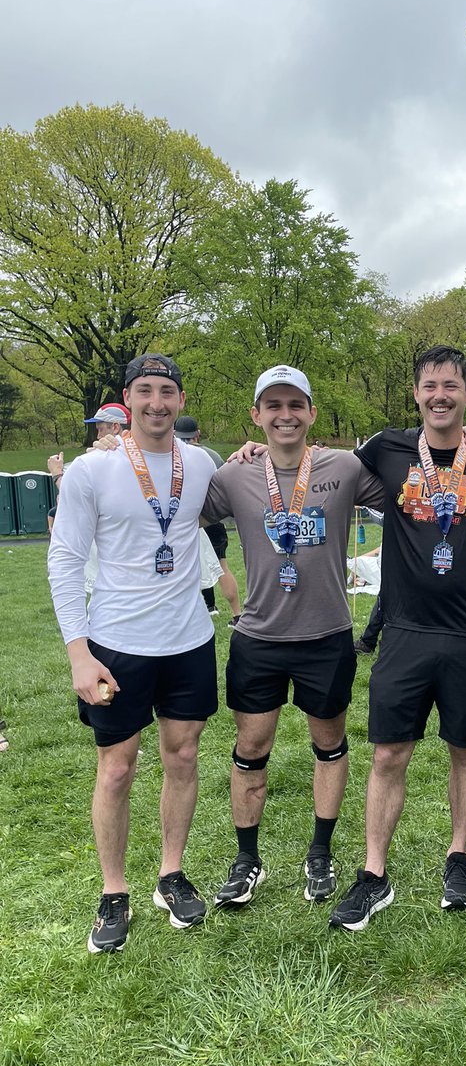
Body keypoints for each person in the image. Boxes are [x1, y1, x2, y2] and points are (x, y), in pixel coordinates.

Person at [328, 346, 466, 930]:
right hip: (405, 629)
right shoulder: (387, 448)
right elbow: (326, 471)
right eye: (430, 385)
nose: (440, 395)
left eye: (451, 385)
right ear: (416, 393)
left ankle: (458, 858)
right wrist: (258, 451)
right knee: (389, 752)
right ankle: (373, 874)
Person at [48, 353, 219, 953]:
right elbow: (65, 558)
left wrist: (253, 450)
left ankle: (171, 874)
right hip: (116, 643)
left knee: (183, 758)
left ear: (180, 400)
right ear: (128, 399)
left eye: (167, 391)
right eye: (144, 391)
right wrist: (78, 653)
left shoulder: (201, 463)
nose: (156, 403)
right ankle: (113, 891)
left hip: (189, 639)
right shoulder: (93, 471)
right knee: (117, 768)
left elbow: (249, 483)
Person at [201, 365, 383, 906]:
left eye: (295, 405)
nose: (285, 415)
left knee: (328, 744)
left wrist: (465, 439)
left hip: (326, 635)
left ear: (311, 413)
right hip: (259, 636)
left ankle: (320, 853)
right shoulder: (234, 475)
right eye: (273, 406)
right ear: (256, 415)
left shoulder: (344, 467)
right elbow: (174, 508)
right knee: (251, 747)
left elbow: (407, 490)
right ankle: (246, 859)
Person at [174, 415, 242, 625]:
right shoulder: (211, 456)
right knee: (222, 567)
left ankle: (196, 614)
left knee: (180, 570)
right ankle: (237, 615)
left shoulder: (171, 455)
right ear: (198, 433)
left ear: (175, 433)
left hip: (182, 521)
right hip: (212, 519)